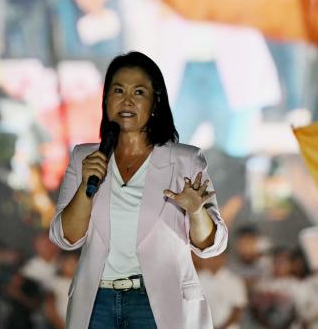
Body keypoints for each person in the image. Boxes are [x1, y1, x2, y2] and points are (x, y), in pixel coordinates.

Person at [49, 51, 229, 328]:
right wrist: (86, 185)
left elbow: (211, 246)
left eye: (139, 92)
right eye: (118, 90)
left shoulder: (184, 160)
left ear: (155, 102)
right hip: (97, 302)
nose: (127, 100)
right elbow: (66, 237)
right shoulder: (84, 158)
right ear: (106, 99)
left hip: (160, 303)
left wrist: (196, 212)